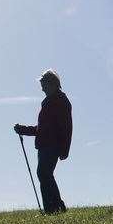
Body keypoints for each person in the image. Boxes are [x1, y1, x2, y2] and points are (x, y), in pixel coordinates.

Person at [13, 70, 73, 213]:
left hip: (52, 145)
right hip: (46, 145)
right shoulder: (51, 101)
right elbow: (42, 129)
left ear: (52, 84)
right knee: (44, 173)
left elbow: (66, 127)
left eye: (43, 85)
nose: (42, 88)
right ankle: (54, 208)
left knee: (44, 173)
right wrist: (23, 130)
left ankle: (55, 208)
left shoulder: (59, 101)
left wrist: (64, 148)